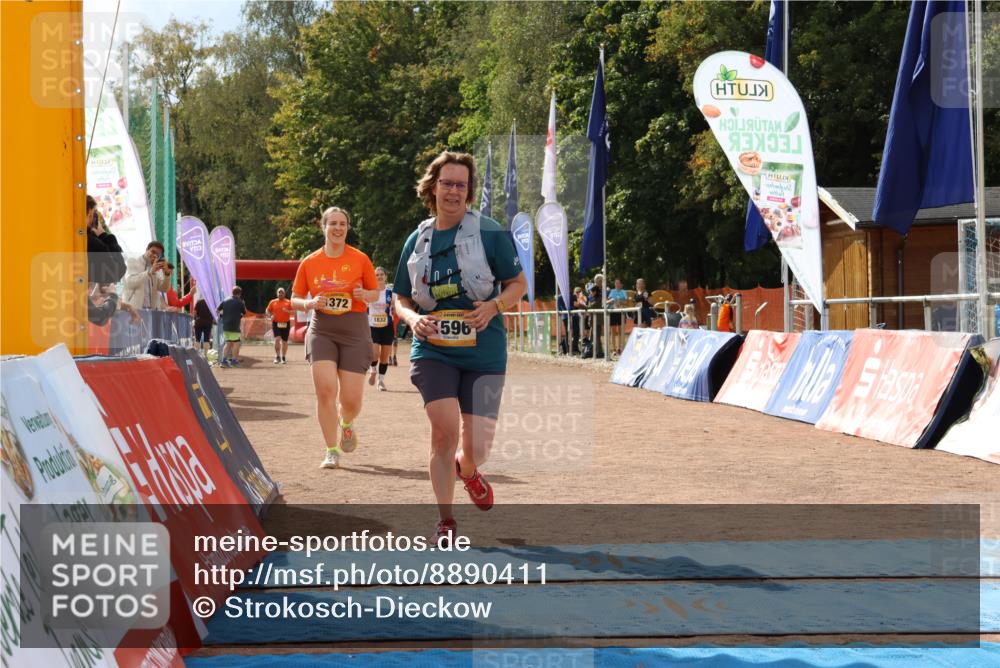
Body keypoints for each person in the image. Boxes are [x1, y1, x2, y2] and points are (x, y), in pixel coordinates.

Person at [393, 150, 527, 545]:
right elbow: (400, 297)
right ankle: (446, 521)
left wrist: (494, 306)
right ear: (433, 186)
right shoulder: (417, 239)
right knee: (443, 432)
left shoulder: (489, 232)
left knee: (477, 449)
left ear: (468, 192)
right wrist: (413, 319)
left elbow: (517, 284)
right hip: (433, 348)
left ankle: (468, 471)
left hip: (484, 349)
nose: (453, 191)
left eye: (461, 185)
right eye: (447, 183)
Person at [291, 207, 379, 470]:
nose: (338, 228)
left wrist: (366, 295)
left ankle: (347, 422)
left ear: (347, 228)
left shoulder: (361, 259)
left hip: (354, 330)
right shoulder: (310, 262)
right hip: (322, 330)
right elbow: (295, 298)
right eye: (333, 224)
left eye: (342, 224)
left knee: (351, 401)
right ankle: (331, 450)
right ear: (324, 227)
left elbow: (376, 292)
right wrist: (309, 303)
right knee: (325, 391)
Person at [368, 268, 394, 391]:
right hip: (373, 326)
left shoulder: (391, 292)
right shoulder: (370, 291)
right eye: (376, 275)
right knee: (374, 353)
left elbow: (397, 306)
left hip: (387, 327)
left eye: (381, 274)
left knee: (384, 357)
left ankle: (381, 381)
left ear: (385, 276)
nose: (379, 276)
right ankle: (373, 370)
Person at [123, 240, 170, 310]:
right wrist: (149, 272)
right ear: (146, 250)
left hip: (151, 312)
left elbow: (164, 288)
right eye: (153, 252)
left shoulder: (155, 268)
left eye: (158, 255)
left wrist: (167, 274)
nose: (155, 255)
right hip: (134, 310)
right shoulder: (133, 261)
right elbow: (130, 282)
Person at [217, 286, 247, 368]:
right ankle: (234, 361)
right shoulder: (240, 302)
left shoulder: (225, 300)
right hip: (235, 326)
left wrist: (222, 316)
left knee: (228, 343)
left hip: (226, 325)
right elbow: (244, 313)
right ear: (239, 294)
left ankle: (223, 361)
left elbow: (217, 310)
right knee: (236, 344)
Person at [266, 287, 294, 364]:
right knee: (277, 339)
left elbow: (294, 312)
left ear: (284, 294)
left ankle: (283, 357)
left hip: (286, 323)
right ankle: (277, 356)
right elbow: (267, 310)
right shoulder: (273, 302)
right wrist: (270, 315)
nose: (280, 294)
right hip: (276, 323)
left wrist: (287, 311)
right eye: (279, 292)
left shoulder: (288, 302)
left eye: (282, 292)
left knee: (284, 341)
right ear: (277, 293)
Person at [607, 278, 627, 356]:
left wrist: (619, 301)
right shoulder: (612, 291)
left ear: (621, 284)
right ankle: (613, 349)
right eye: (616, 283)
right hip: (613, 312)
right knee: (613, 331)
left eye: (618, 283)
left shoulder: (623, 292)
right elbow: (608, 301)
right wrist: (614, 300)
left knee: (620, 331)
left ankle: (620, 348)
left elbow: (626, 302)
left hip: (621, 312)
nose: (617, 284)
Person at [193, 295, 215, 359]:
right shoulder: (211, 303)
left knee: (197, 339)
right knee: (206, 340)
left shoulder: (199, 302)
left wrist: (194, 319)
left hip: (199, 322)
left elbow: (195, 312)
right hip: (208, 323)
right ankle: (205, 355)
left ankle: (196, 355)